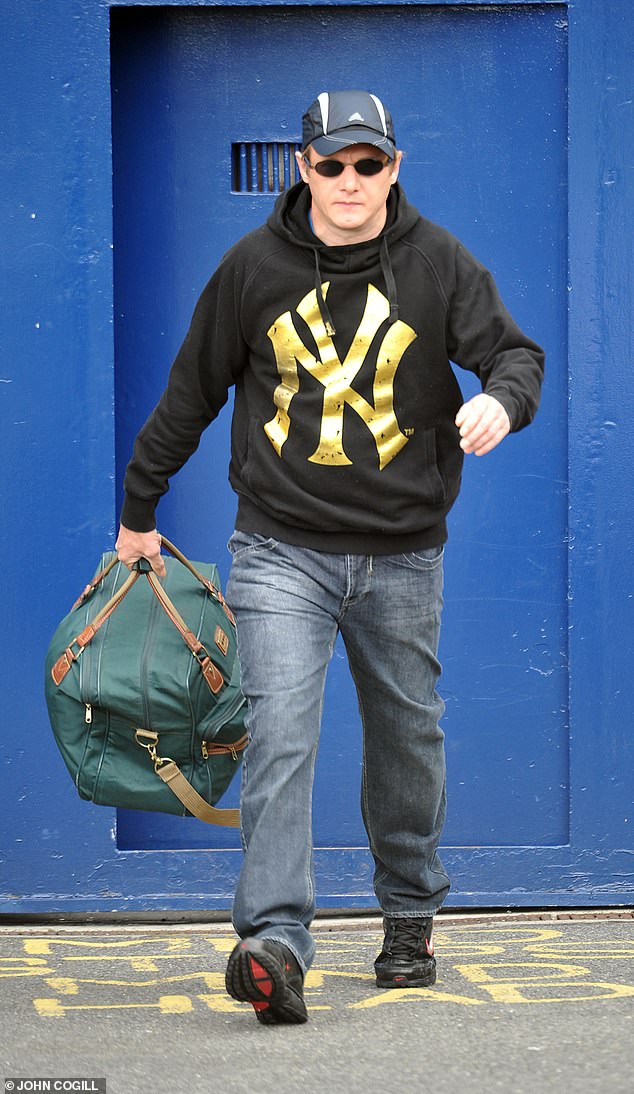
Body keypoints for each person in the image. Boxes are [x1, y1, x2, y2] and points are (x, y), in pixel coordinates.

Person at [116, 89, 544, 1025]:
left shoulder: (438, 263)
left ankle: (408, 916)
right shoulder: (252, 268)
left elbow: (516, 354)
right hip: (281, 549)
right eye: (332, 164)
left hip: (403, 554)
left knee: (407, 741)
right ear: (303, 167)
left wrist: (501, 403)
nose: (351, 181)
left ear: (394, 167)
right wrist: (138, 509)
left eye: (370, 163)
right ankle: (274, 942)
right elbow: (191, 391)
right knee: (279, 736)